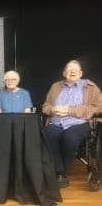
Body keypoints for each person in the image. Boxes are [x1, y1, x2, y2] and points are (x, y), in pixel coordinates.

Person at [42, 60, 102, 188]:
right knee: (48, 133)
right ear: (64, 73)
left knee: (69, 137)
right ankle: (60, 173)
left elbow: (98, 107)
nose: (72, 71)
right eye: (69, 69)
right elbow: (45, 106)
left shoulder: (90, 86)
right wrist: (52, 109)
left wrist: (70, 110)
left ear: (81, 73)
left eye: (75, 69)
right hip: (56, 122)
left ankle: (60, 171)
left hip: (79, 123)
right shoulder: (55, 86)